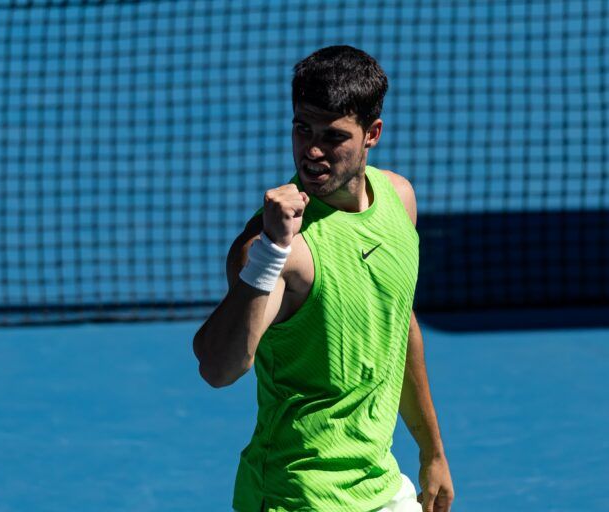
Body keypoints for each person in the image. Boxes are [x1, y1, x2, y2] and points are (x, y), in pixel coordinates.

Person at [193, 45, 454, 512]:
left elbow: (400, 327)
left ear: (371, 133)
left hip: (379, 481)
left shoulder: (399, 200)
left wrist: (432, 452)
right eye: (302, 129)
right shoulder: (278, 252)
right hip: (299, 495)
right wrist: (270, 253)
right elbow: (218, 367)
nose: (312, 150)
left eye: (333, 136)